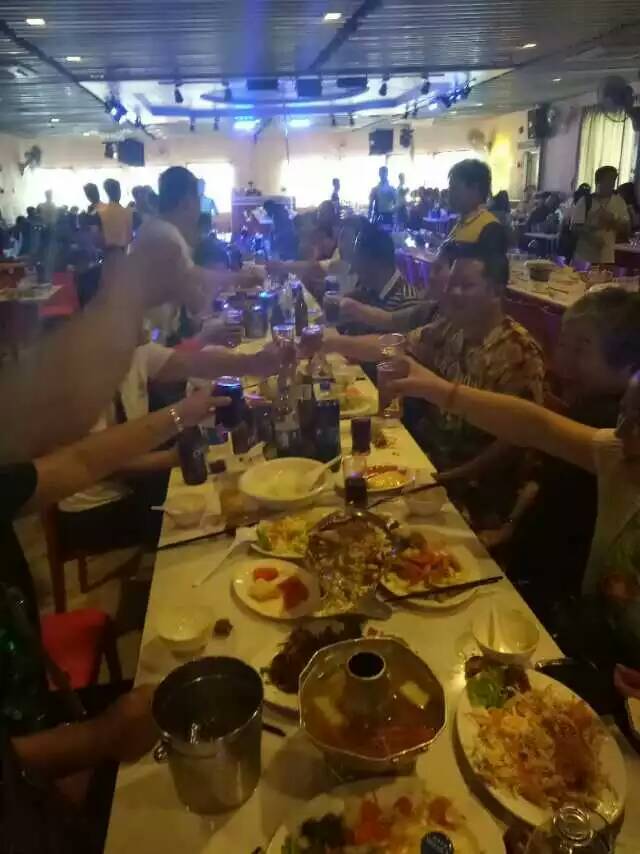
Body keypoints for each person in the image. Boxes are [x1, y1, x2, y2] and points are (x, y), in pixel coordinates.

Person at [387, 357, 640, 670]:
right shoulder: (621, 454)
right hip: (592, 644)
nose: (622, 431)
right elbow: (536, 426)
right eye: (623, 412)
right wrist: (440, 390)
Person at [321, 251, 545, 526]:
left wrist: (452, 476)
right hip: (431, 460)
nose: (453, 292)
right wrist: (330, 343)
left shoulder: (518, 351)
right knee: (345, 485)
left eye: (466, 285)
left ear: (496, 292)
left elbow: (518, 441)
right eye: (452, 284)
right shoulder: (452, 328)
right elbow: (392, 346)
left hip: (477, 490)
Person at [0, 384, 224, 626]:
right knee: (184, 517)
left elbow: (176, 369)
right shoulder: (80, 391)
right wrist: (169, 452)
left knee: (194, 492)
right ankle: (186, 604)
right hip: (86, 513)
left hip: (126, 488)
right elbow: (87, 463)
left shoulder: (123, 375)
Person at [490, 289, 640, 618]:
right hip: (529, 560)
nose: (563, 361)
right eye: (563, 344)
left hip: (559, 592)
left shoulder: (610, 430)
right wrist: (510, 526)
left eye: (581, 349)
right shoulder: (584, 406)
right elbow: (541, 480)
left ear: (629, 365)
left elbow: (534, 427)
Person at [57, 339, 282, 554]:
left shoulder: (137, 351)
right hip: (98, 506)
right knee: (216, 518)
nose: (146, 330)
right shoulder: (84, 377)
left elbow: (194, 362)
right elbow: (98, 466)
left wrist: (254, 363)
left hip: (140, 482)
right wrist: (170, 457)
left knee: (225, 491)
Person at [132, 166, 261, 341]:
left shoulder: (157, 228)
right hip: (152, 339)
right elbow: (192, 281)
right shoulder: (165, 234)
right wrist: (239, 279)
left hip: (155, 335)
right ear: (187, 202)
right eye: (199, 199)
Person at [337, 250, 452, 333]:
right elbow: (387, 319)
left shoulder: (408, 299)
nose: (430, 276)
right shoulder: (430, 309)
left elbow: (396, 347)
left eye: (437, 269)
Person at [337, 223, 418, 334]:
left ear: (377, 264)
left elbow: (394, 344)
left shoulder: (407, 301)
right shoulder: (366, 290)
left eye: (359, 261)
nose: (354, 269)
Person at [444, 159, 507, 255]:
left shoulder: (490, 229)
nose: (449, 193)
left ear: (474, 188)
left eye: (454, 188)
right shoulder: (461, 222)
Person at [573, 166, 630, 265]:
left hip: (607, 258)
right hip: (584, 258)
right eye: (607, 180)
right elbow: (574, 228)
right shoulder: (586, 201)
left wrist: (613, 220)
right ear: (598, 181)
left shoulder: (619, 202)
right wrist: (590, 236)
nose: (611, 184)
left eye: (613, 180)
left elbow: (626, 228)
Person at [97, 179, 136, 250]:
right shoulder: (128, 212)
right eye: (118, 190)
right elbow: (131, 237)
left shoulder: (100, 214)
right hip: (125, 251)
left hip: (109, 251)